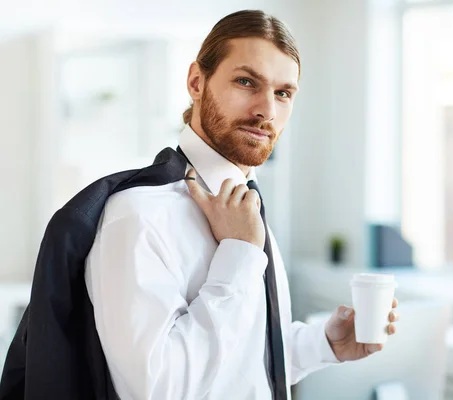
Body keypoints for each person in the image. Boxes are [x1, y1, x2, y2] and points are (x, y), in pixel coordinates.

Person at [84, 9, 399, 400]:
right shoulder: (138, 216)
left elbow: (239, 366)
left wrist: (323, 344)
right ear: (196, 82)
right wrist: (239, 254)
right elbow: (160, 388)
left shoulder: (247, 208)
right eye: (247, 81)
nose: (267, 110)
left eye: (283, 93)